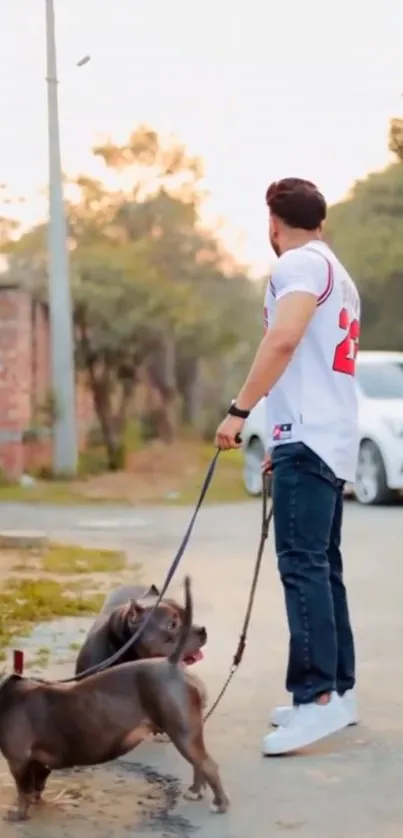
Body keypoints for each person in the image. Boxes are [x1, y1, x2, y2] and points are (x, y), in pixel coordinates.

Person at [215, 177, 359, 755]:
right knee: (323, 568)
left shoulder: (296, 266)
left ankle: (314, 700)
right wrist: (276, 436)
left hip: (309, 436)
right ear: (320, 220)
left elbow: (283, 341)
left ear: (273, 222)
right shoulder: (335, 271)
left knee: (302, 568)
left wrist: (238, 412)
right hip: (324, 435)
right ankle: (337, 695)